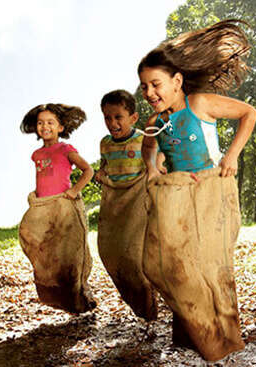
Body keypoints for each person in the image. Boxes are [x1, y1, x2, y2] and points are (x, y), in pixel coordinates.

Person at [138, 19, 256, 362]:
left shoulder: (200, 103)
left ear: (177, 82)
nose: (149, 93)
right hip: (177, 197)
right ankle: (192, 328)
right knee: (167, 262)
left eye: (155, 84)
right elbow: (152, 147)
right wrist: (153, 164)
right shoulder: (155, 122)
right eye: (144, 86)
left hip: (210, 192)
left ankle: (217, 337)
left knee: (209, 263)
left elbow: (249, 113)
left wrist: (232, 155)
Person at [18, 103, 96, 314]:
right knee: (48, 250)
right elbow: (43, 178)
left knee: (69, 253)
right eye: (41, 123)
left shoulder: (65, 149)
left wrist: (75, 190)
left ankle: (81, 293)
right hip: (44, 209)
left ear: (61, 127)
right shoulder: (36, 155)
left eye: (50, 122)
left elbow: (88, 170)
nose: (45, 126)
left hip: (63, 208)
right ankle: (58, 294)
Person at [94, 89, 161, 321]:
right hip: (115, 205)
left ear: (133, 118)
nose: (112, 123)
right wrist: (100, 174)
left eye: (118, 117)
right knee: (111, 252)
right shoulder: (105, 143)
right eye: (107, 117)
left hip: (138, 203)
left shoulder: (144, 139)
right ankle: (138, 301)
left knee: (135, 254)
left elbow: (156, 162)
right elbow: (106, 166)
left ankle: (149, 297)